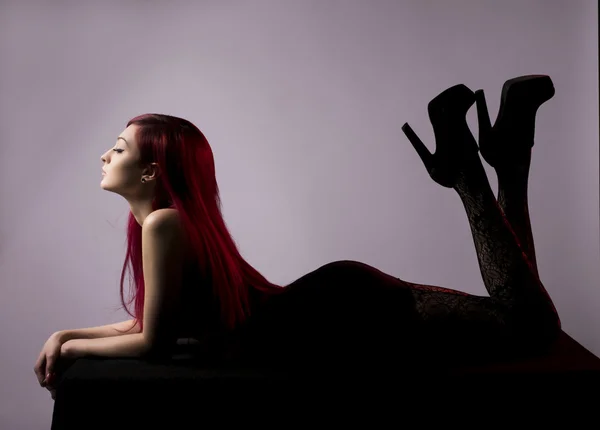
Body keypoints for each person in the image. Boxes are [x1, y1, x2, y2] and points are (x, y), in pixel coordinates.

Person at [35, 75, 561, 397]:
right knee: (526, 325)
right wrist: (64, 337)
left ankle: (470, 172)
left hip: (339, 314)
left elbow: (153, 342)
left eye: (120, 147)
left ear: (151, 171)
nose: (106, 155)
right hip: (333, 307)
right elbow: (150, 321)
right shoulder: (164, 223)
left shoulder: (163, 223)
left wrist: (73, 347)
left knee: (532, 329)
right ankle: (509, 162)